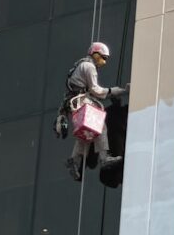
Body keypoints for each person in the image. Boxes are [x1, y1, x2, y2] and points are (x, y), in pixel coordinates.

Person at [54, 41, 128, 181]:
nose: (104, 62)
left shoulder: (82, 65)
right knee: (101, 126)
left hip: (77, 102)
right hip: (82, 101)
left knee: (86, 133)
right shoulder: (89, 66)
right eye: (103, 57)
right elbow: (96, 90)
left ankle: (74, 160)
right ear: (95, 54)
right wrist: (116, 91)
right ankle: (104, 158)